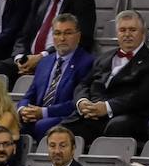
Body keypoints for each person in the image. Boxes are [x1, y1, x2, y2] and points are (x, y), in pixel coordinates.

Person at [63, 10, 149, 144]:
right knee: (60, 131)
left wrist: (106, 107)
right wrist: (82, 102)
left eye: (132, 30)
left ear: (143, 33)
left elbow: (142, 97)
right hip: (93, 112)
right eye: (122, 30)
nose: (127, 34)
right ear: (117, 33)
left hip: (129, 116)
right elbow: (84, 84)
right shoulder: (103, 58)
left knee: (116, 127)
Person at [16, 15, 95, 143]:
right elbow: (30, 94)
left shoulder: (87, 62)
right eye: (57, 33)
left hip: (65, 117)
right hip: (37, 115)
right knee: (10, 121)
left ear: (78, 36)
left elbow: (76, 102)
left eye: (68, 33)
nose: (62, 38)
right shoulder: (44, 62)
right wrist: (23, 109)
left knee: (42, 125)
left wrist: (44, 112)